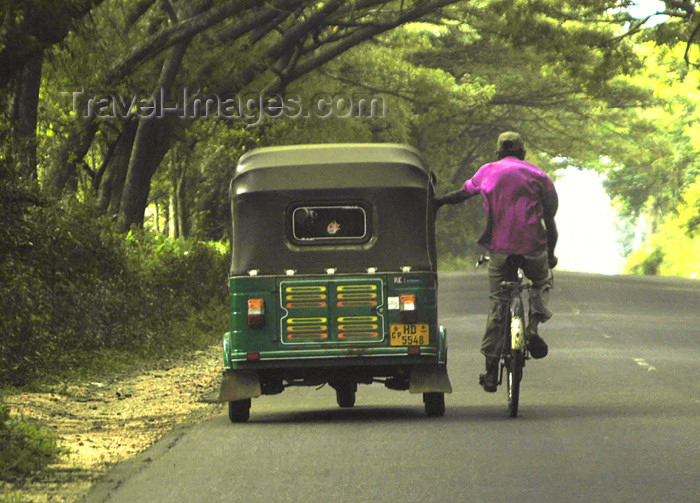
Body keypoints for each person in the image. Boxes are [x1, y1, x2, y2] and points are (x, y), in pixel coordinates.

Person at [434, 131, 558, 393]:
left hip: (500, 249)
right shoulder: (539, 176)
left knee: (498, 303)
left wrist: (439, 202)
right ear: (522, 153)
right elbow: (551, 220)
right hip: (533, 246)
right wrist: (552, 253)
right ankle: (533, 328)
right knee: (541, 281)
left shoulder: (488, 170)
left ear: (498, 153)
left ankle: (491, 370)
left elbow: (462, 193)